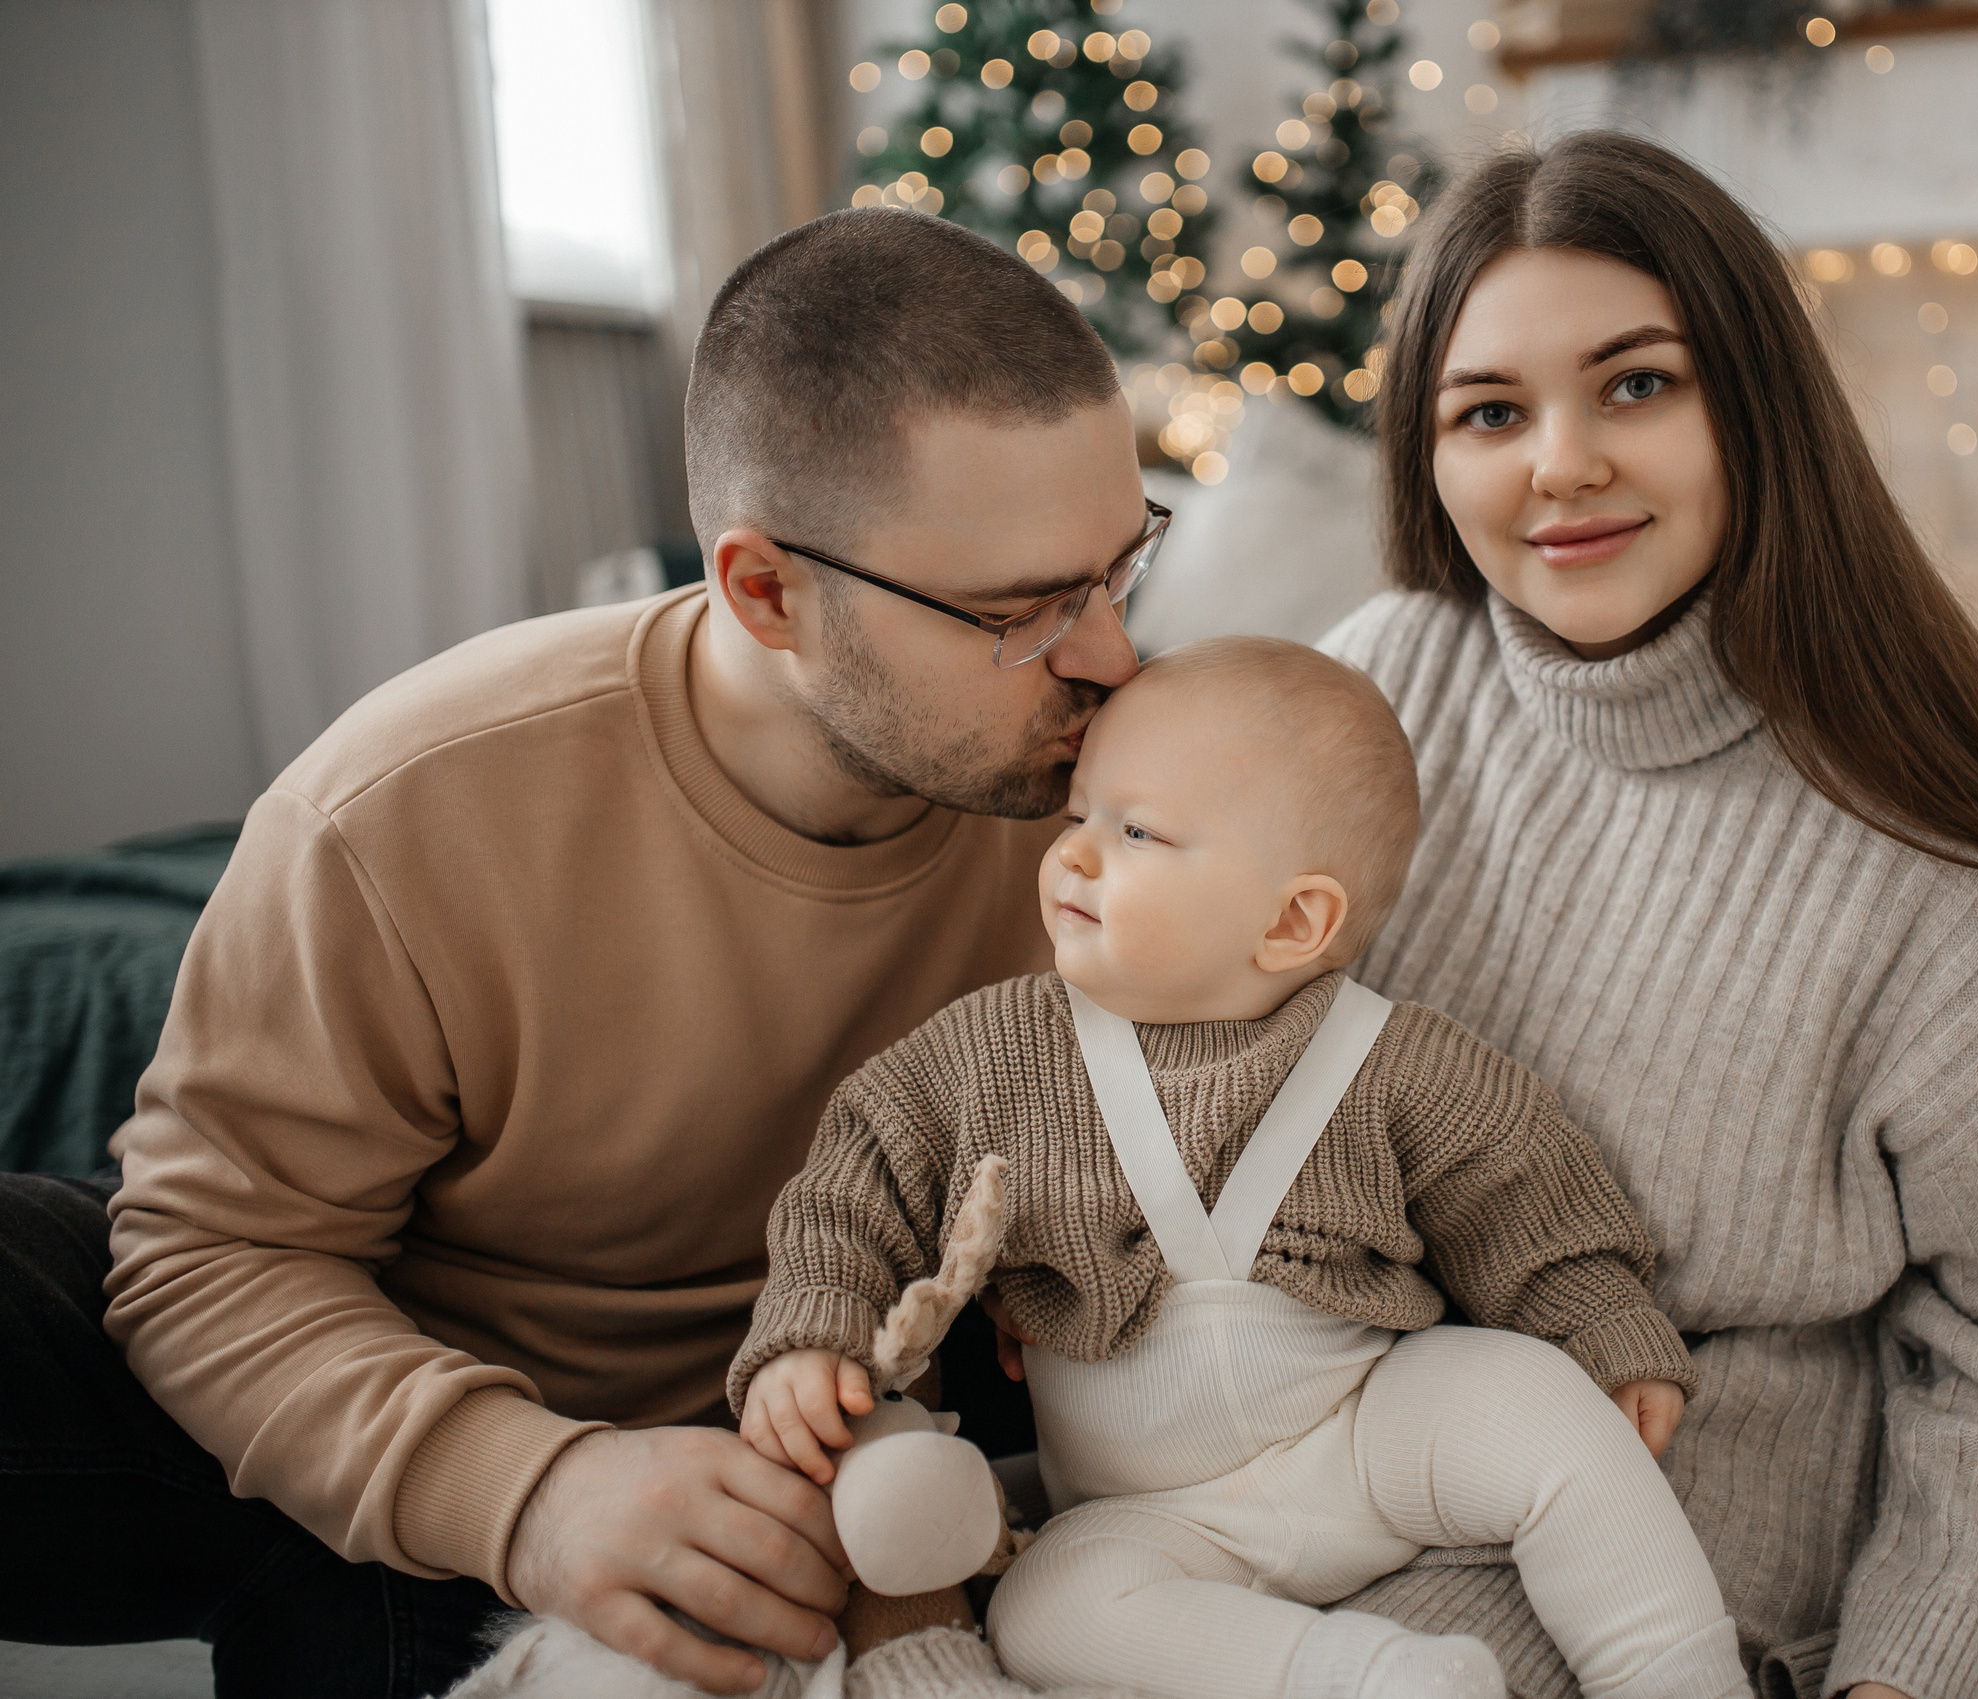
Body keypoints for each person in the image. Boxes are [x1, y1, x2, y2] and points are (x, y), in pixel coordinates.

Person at [0, 207, 1159, 1699]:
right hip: (438, 1437)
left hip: (875, 1463)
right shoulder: (401, 809)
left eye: (1121, 569)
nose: (1110, 656)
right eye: (1023, 613)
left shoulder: (1136, 786)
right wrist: (529, 1490)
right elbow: (208, 1255)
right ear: (766, 592)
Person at [1307, 133, 1978, 1699]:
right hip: (1324, 1436)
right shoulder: (1376, 683)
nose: (1560, 463)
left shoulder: (1954, 870)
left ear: (1757, 407)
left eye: (1637, 384)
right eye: (1491, 411)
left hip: (1677, 1526)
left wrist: (1911, 1672)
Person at [730, 637, 1752, 1699]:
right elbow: (856, 1184)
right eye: (1078, 815)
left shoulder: (1395, 1061)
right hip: (1145, 1513)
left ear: (1293, 921)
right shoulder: (990, 1053)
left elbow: (1528, 1200)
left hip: (1364, 1427)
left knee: (1540, 1402)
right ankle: (1373, 1681)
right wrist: (814, 1330)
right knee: (1044, 1609)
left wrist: (1601, 1325)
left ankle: (1680, 1676)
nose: (1074, 855)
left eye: (1135, 831)